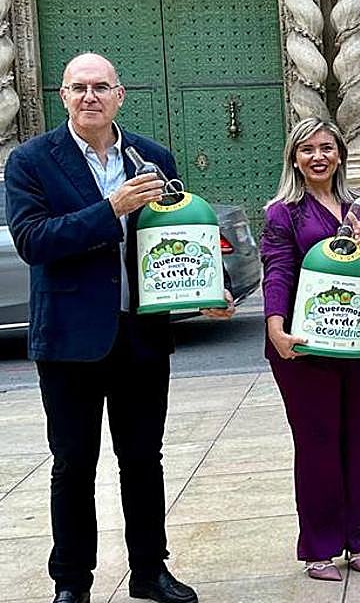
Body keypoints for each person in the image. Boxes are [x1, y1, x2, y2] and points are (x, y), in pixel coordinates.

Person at [5, 53, 234, 603]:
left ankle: (150, 571)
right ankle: (71, 583)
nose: (90, 97)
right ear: (62, 96)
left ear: (120, 95)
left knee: (142, 460)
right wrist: (110, 208)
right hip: (70, 340)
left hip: (141, 335)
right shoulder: (31, 160)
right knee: (74, 464)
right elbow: (34, 241)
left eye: (100, 87)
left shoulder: (151, 157)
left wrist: (210, 285)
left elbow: (179, 235)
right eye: (79, 88)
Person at [259, 118, 360, 581]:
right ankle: (319, 548)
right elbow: (278, 269)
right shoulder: (284, 212)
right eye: (307, 150)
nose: (317, 157)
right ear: (294, 160)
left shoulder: (359, 208)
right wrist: (276, 328)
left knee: (358, 441)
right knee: (317, 445)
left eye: (326, 148)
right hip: (306, 347)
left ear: (339, 154)